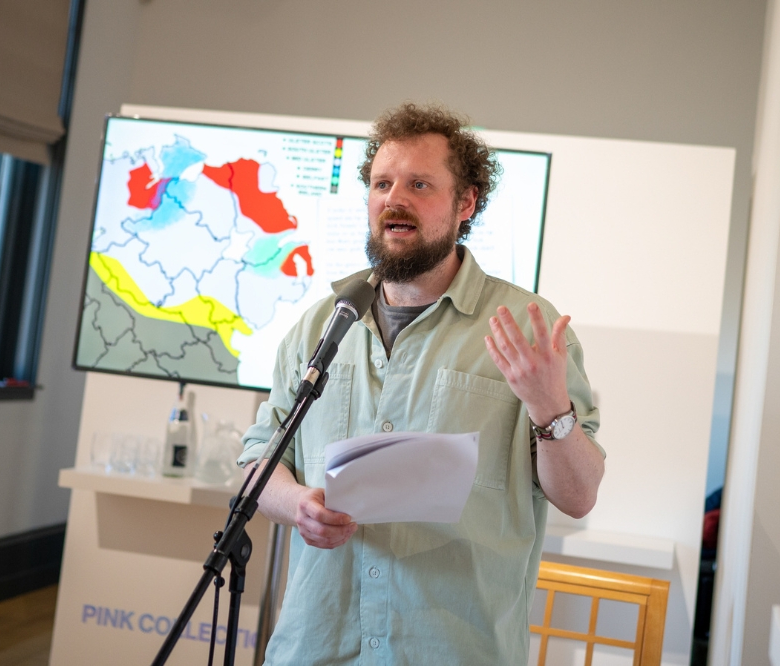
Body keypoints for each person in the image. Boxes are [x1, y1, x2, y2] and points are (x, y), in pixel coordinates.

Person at [238, 102, 605, 664]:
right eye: (382, 183)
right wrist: (295, 503)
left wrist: (549, 406)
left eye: (419, 184)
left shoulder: (524, 327)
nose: (394, 198)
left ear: (465, 203)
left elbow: (578, 496)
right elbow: (257, 461)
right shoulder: (319, 325)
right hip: (316, 647)